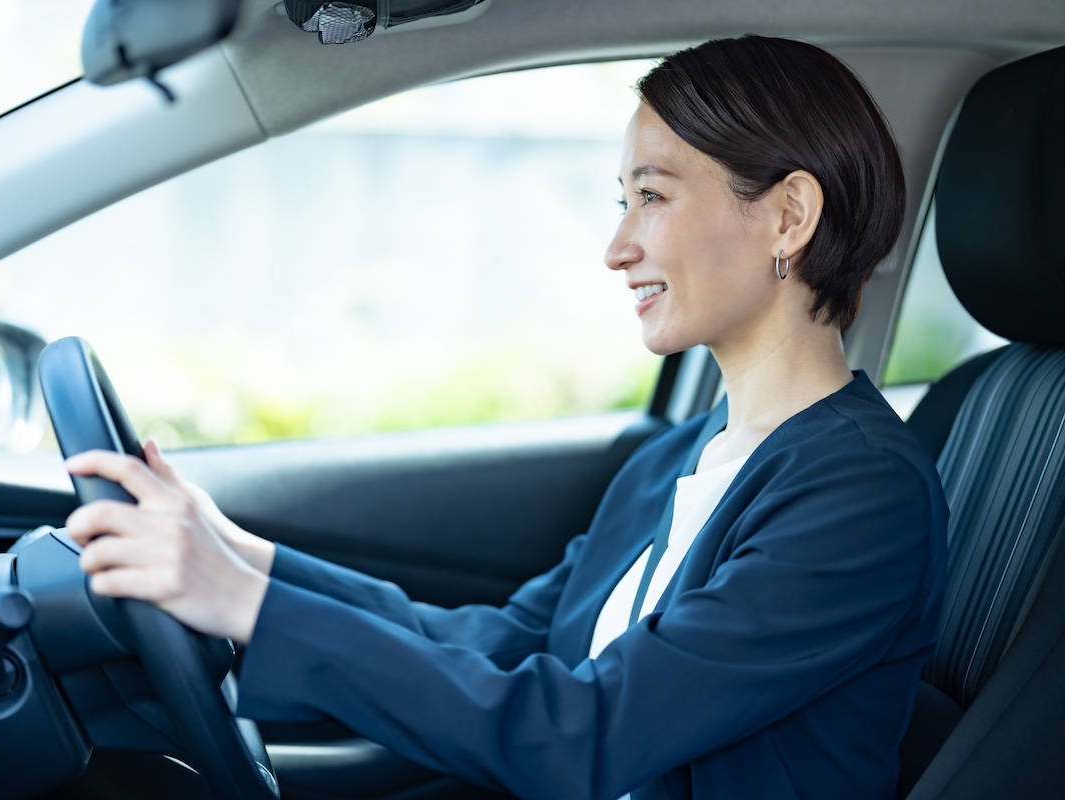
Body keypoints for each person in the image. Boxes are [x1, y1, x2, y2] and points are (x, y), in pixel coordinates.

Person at [64, 34, 948, 800]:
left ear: (787, 215)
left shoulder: (862, 495)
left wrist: (251, 605)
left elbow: (589, 733)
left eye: (654, 194)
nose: (617, 248)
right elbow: (507, 643)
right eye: (622, 199)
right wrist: (241, 558)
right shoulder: (679, 459)